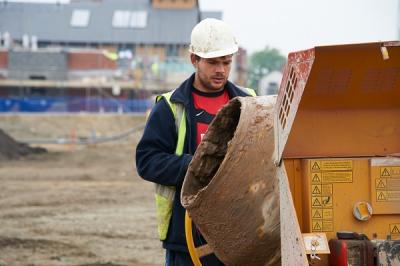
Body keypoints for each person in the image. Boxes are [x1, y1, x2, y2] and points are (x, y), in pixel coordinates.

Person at [136, 18, 256, 266]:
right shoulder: (170, 107)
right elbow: (147, 161)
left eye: (226, 62)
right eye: (213, 62)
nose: (221, 70)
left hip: (240, 233)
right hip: (187, 237)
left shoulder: (250, 102)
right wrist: (196, 166)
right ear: (194, 60)